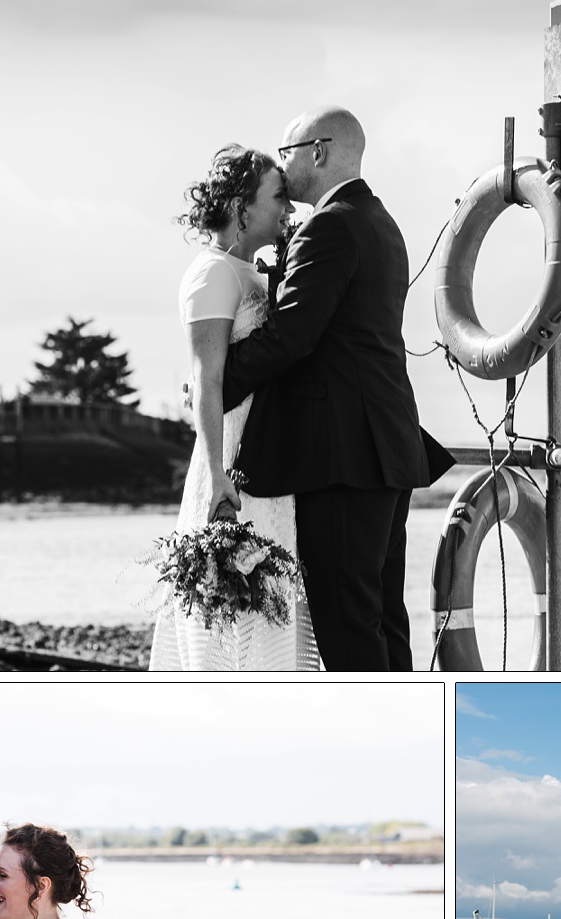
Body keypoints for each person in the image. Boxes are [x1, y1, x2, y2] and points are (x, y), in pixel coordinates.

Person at [221, 106, 452, 671]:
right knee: (382, 618)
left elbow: (291, 335)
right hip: (386, 449)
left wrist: (212, 384)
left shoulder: (332, 223)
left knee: (347, 627)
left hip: (344, 457)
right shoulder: (380, 220)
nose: (281, 165)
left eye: (287, 152)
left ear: (318, 152)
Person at [149, 144, 319, 670]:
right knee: (235, 608)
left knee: (271, 599)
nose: (288, 210)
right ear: (243, 207)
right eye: (278, 198)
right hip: (234, 455)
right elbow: (207, 377)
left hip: (268, 453)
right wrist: (219, 472)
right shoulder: (211, 274)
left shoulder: (248, 271)